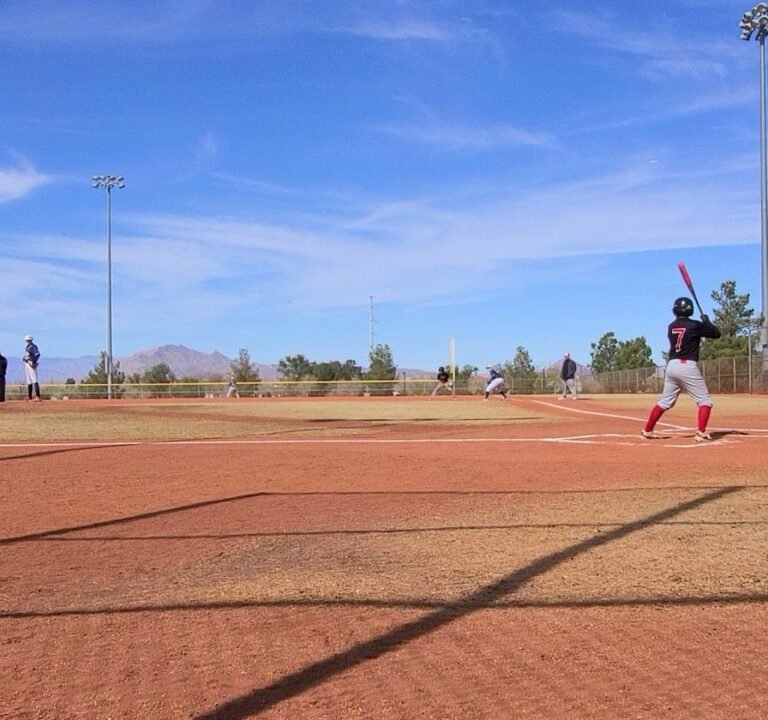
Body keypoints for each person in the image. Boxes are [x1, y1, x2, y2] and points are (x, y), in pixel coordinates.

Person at [641, 296, 721, 442]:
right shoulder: (695, 325)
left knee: (665, 402)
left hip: (671, 366)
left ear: (675, 310)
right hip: (687, 365)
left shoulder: (671, 326)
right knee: (705, 401)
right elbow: (716, 334)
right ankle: (701, 432)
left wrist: (703, 324)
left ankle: (647, 430)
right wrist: (707, 321)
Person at [22, 334, 42, 402]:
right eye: (27, 340)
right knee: (29, 381)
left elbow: (37, 354)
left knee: (34, 380)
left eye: (28, 340)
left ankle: (38, 396)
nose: (27, 341)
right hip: (26, 364)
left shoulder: (33, 346)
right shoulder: (27, 347)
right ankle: (30, 396)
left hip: (30, 364)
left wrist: (33, 361)